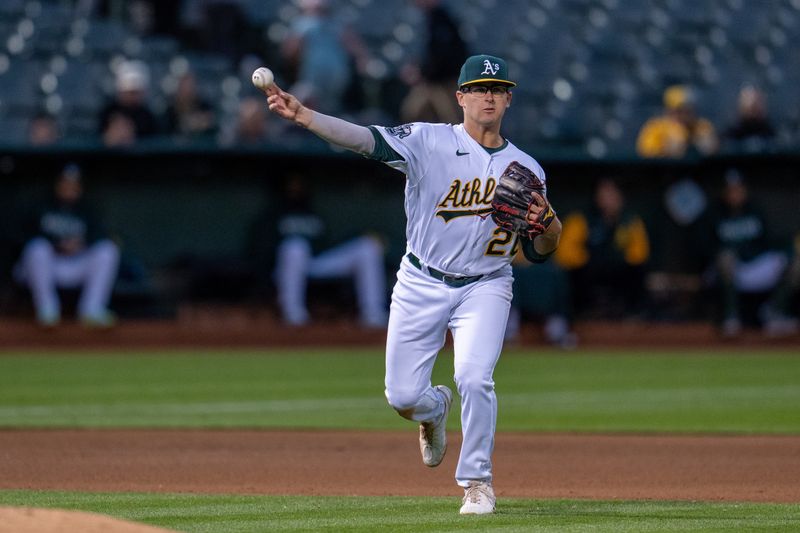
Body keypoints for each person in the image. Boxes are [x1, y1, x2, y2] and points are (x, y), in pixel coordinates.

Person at [263, 53, 562, 515]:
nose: (489, 96)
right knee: (402, 396)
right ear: (460, 97)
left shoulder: (527, 167)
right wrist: (305, 117)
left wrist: (552, 229)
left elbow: (539, 251)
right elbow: (364, 140)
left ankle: (477, 482)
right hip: (421, 280)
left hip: (486, 284)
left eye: (498, 89)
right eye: (480, 89)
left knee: (475, 377)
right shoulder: (427, 141)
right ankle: (433, 410)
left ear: (508, 100)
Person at [262, 173, 389, 328]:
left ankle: (374, 316)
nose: (295, 190)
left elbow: (328, 242)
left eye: (299, 186)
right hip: (286, 268)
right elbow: (263, 250)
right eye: (291, 186)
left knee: (368, 247)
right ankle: (294, 317)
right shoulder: (273, 215)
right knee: (295, 247)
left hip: (316, 262)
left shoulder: (314, 213)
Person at [14, 164, 120, 327]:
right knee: (38, 248)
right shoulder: (40, 205)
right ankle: (47, 309)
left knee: (108, 250)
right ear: (57, 184)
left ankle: (92, 309)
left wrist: (79, 244)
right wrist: (56, 244)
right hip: (45, 266)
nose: (69, 188)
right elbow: (21, 237)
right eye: (65, 183)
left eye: (74, 185)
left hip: (76, 265)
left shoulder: (88, 209)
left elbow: (101, 235)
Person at [709, 169, 798, 337]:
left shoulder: (756, 209)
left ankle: (776, 311)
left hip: (756, 264)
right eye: (731, 190)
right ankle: (731, 317)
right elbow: (707, 247)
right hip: (731, 269)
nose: (735, 194)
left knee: (796, 263)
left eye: (738, 189)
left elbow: (768, 240)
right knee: (726, 258)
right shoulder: (715, 213)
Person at [555, 177, 650, 319]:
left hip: (619, 271)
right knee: (576, 275)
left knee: (636, 273)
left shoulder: (629, 220)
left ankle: (632, 317)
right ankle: (581, 316)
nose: (608, 200)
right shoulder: (582, 218)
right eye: (604, 195)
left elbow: (640, 254)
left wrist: (617, 259)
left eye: (612, 195)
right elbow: (564, 254)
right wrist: (590, 259)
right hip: (588, 269)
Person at [280, 0, 371, 115]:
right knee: (306, 99)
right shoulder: (302, 23)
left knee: (330, 107)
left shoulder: (337, 23)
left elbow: (353, 44)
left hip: (336, 75)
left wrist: (362, 58)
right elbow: (289, 51)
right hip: (311, 74)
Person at [399, 0, 469, 124]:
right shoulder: (430, 18)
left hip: (446, 82)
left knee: (454, 121)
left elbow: (443, 55)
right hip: (432, 81)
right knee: (413, 114)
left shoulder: (441, 19)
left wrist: (421, 72)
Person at [636, 84, 719, 158]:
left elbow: (712, 148)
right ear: (670, 110)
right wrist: (664, 148)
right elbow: (645, 154)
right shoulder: (656, 127)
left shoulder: (701, 125)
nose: (687, 114)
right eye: (681, 110)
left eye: (690, 109)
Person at [97, 60, 159, 146]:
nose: (132, 96)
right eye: (129, 92)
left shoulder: (147, 117)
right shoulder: (107, 112)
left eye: (136, 92)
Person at [165, 71, 217, 141]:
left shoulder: (204, 106)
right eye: (184, 87)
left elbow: (211, 124)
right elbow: (168, 131)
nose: (188, 90)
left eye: (191, 86)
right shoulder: (170, 110)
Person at [723, 85, 775, 152]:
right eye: (749, 102)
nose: (753, 105)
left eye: (757, 102)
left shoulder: (771, 134)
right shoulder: (730, 134)